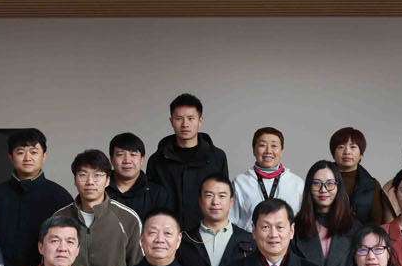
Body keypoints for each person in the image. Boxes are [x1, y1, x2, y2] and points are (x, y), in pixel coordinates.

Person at [0, 129, 73, 266]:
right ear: (10, 157)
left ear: (44, 156)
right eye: (20, 152)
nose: (27, 158)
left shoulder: (60, 196)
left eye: (33, 152)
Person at [54, 149, 142, 266]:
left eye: (97, 176)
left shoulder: (128, 218)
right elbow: (49, 264)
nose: (90, 182)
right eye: (83, 175)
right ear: (75, 181)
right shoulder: (59, 218)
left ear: (107, 181)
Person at [146, 93, 229, 234]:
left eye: (191, 118)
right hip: (167, 234)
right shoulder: (157, 160)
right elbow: (152, 201)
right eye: (179, 118)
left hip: (206, 233)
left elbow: (223, 197)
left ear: (200, 120)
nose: (185, 124)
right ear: (171, 121)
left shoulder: (217, 157)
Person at [292, 161, 356, 266]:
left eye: (330, 184)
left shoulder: (354, 227)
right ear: (309, 188)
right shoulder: (295, 227)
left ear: (338, 187)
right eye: (317, 183)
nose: (323, 189)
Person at [230, 127, 305, 231]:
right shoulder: (240, 182)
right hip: (249, 240)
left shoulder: (297, 183)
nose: (268, 151)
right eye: (262, 145)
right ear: (254, 150)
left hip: (288, 240)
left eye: (274, 146)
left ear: (281, 151)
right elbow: (231, 221)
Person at [330, 126, 386, 225]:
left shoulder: (372, 185)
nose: (347, 152)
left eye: (353, 147)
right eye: (341, 147)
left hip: (361, 234)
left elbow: (376, 222)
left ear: (361, 154)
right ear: (333, 154)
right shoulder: (320, 180)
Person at [107, 132, 167, 220]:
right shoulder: (100, 189)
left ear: (142, 160)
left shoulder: (157, 193)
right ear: (111, 160)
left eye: (133, 155)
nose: (127, 161)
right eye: (120, 155)